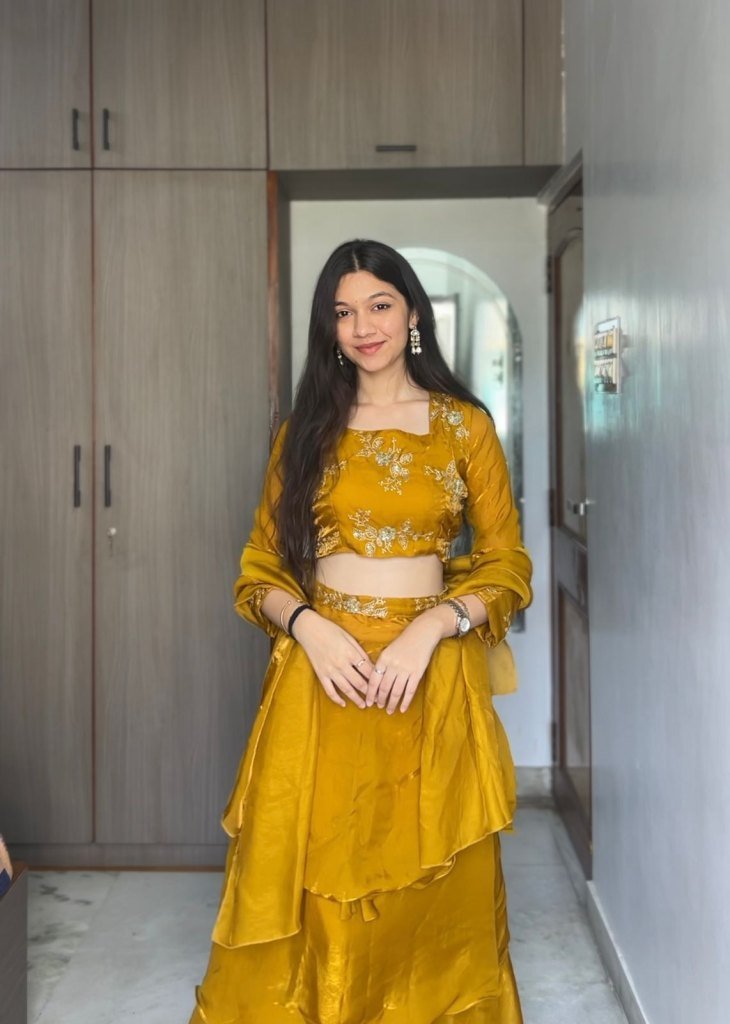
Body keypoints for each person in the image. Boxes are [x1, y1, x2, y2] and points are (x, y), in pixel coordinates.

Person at [188, 239, 533, 1024]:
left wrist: (434, 626)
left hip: (428, 680)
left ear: (412, 314)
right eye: (343, 313)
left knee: (431, 886)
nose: (363, 326)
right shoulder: (306, 429)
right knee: (315, 876)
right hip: (323, 678)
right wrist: (309, 627)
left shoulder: (463, 427)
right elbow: (260, 566)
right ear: (330, 329)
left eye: (379, 305)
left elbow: (507, 565)